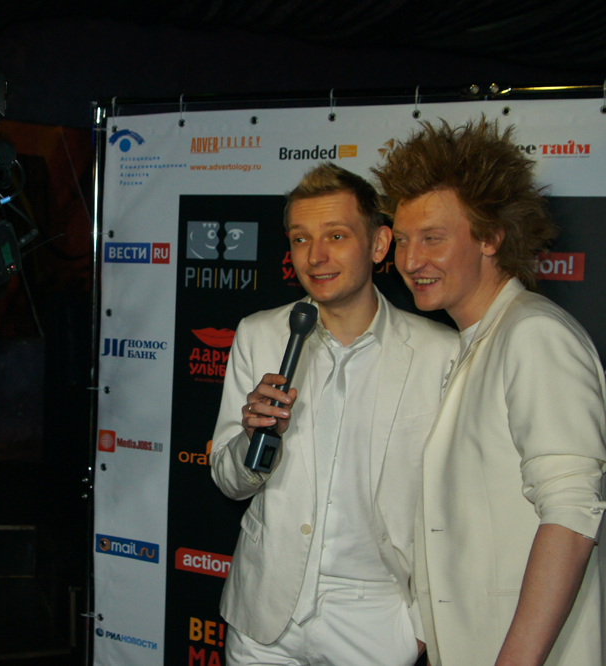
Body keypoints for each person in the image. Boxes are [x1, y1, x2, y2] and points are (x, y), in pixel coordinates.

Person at [375, 118, 606, 666]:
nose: (410, 261)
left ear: (490, 236)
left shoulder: (534, 334)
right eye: (403, 240)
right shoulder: (477, 340)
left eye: (433, 238)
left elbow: (572, 515)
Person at [210, 162, 458, 666]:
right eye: (300, 239)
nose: (315, 256)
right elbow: (229, 481)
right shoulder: (259, 334)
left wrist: (417, 627)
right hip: (263, 617)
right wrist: (253, 440)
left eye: (336, 236)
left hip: (375, 622)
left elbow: (454, 504)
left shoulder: (441, 353)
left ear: (380, 244)